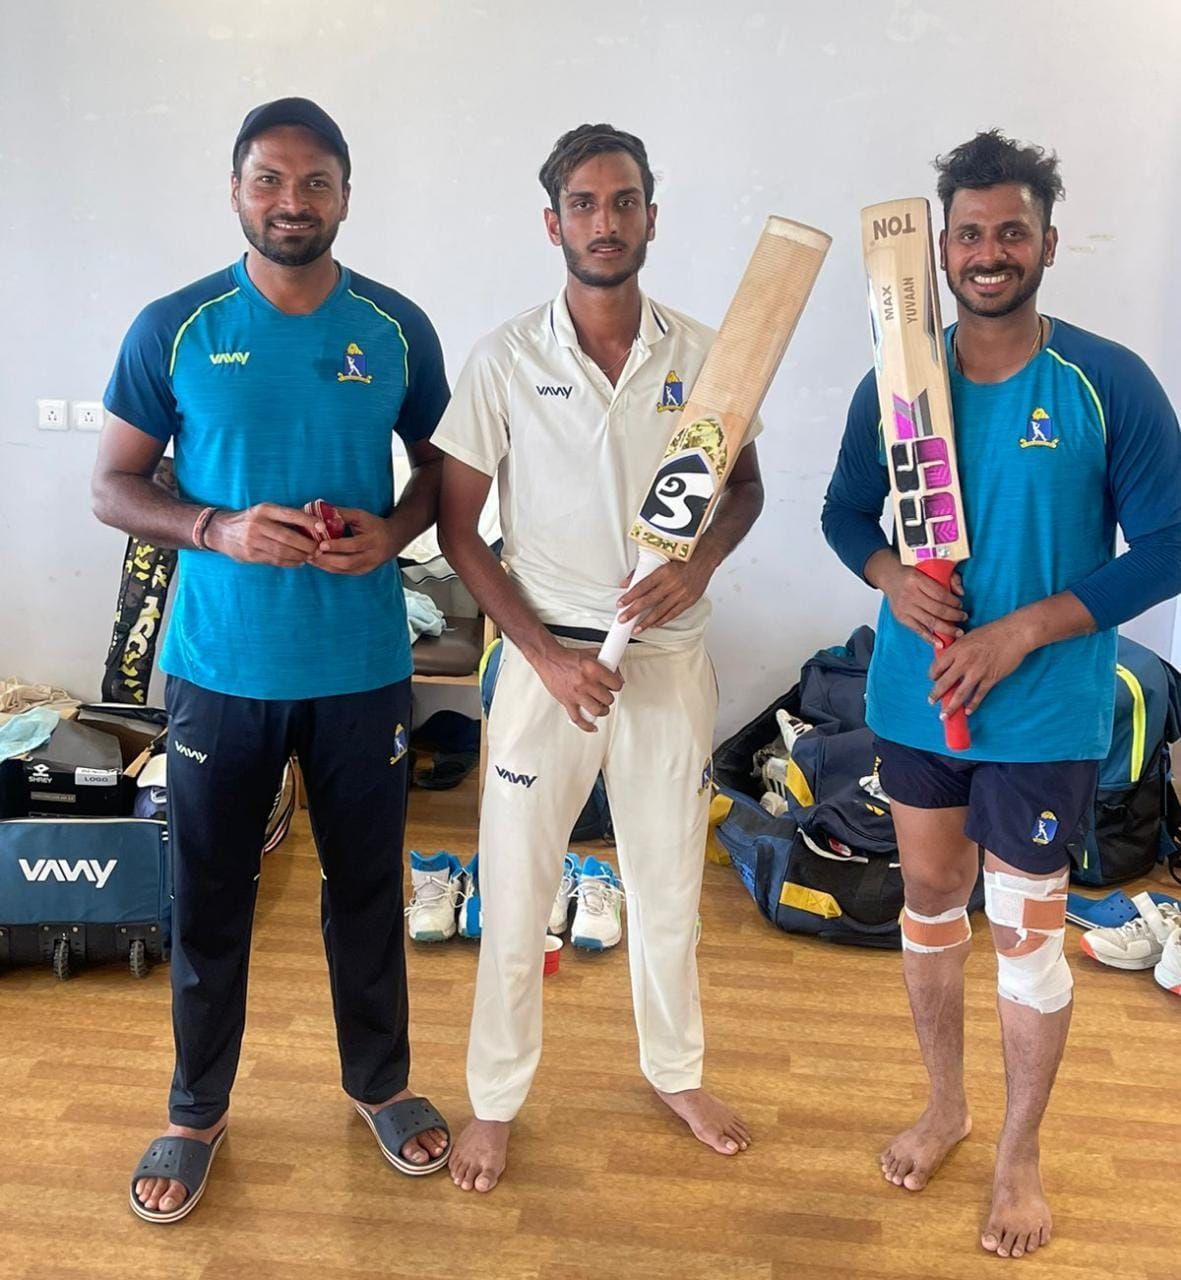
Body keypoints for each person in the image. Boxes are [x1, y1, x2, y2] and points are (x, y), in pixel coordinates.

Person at [92, 97, 452, 1223]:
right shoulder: (174, 326)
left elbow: (445, 470)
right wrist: (216, 526)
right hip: (221, 670)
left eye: (314, 183)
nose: (291, 202)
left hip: (359, 669)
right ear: (236, 188)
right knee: (209, 896)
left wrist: (392, 534)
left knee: (365, 894)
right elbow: (113, 486)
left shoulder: (395, 327)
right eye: (268, 180)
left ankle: (379, 1082)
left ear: (346, 194)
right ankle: (195, 1107)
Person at [822, 129, 1181, 1259]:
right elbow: (841, 515)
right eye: (967, 233)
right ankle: (945, 1106)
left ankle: (1016, 1154)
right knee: (929, 901)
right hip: (916, 693)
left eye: (1009, 232)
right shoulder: (897, 379)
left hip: (1038, 708)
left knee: (1023, 939)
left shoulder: (1101, 378)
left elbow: (1167, 541)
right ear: (938, 247)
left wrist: (1024, 628)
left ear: (1046, 243)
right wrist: (890, 577)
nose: (987, 251)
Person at [435, 123, 763, 1193]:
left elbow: (743, 487)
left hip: (665, 656)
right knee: (517, 887)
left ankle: (673, 1070)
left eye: (622, 201)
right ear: (552, 224)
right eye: (582, 203)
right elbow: (456, 532)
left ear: (650, 217)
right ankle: (493, 1099)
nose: (604, 221)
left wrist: (698, 563)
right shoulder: (503, 359)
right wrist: (540, 654)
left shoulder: (708, 353)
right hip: (545, 669)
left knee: (667, 881)